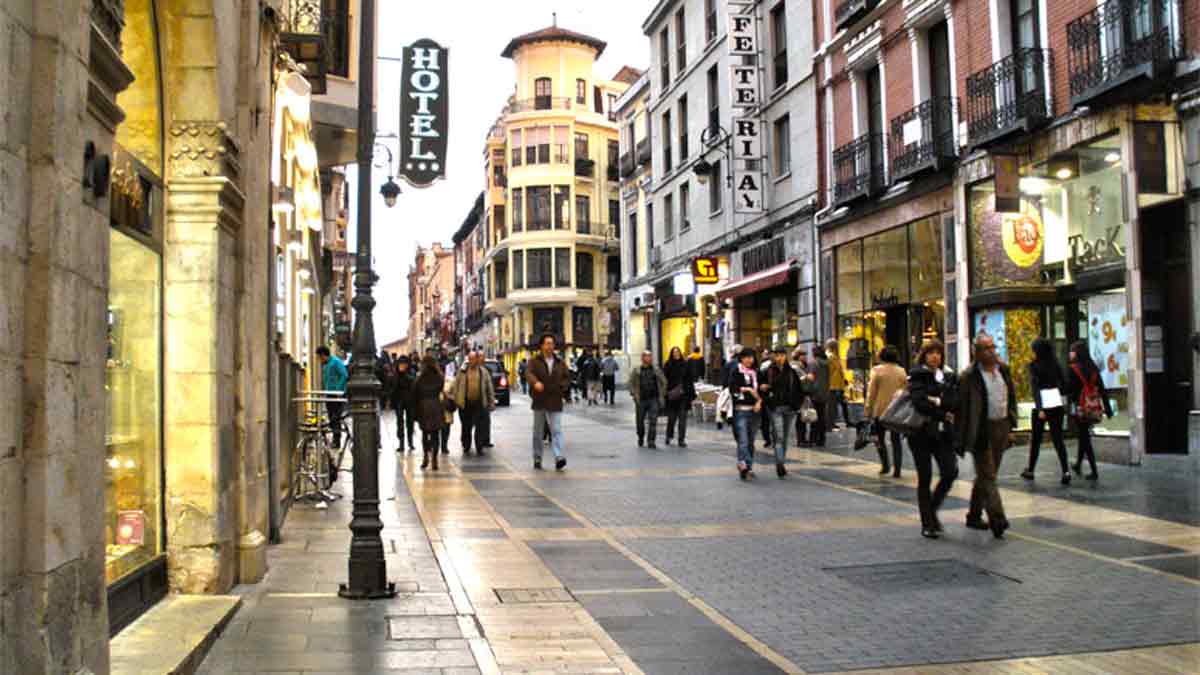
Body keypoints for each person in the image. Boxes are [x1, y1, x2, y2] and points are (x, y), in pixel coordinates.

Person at [958, 334, 1017, 539]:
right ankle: (998, 519)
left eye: (993, 347)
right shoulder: (969, 376)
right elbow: (963, 408)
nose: (991, 351)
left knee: (986, 475)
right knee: (989, 476)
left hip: (1001, 426)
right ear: (977, 352)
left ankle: (974, 515)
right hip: (981, 430)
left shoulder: (1003, 370)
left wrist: (1011, 425)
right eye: (985, 348)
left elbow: (1011, 399)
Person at [907, 339, 961, 539]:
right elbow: (919, 402)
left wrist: (936, 400)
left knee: (950, 471)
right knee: (925, 477)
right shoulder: (917, 374)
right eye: (931, 352)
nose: (935, 356)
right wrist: (941, 409)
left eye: (938, 352)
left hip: (943, 434)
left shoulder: (948, 375)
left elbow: (954, 401)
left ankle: (932, 508)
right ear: (924, 355)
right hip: (920, 433)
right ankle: (927, 523)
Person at [1023, 338, 1071, 485]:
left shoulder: (1034, 366)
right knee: (1058, 440)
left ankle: (1030, 470)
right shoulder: (1055, 364)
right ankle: (1065, 470)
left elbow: (1035, 388)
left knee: (1036, 439)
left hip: (1043, 404)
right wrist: (1056, 391)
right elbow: (1064, 384)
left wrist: (1040, 408)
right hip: (1056, 402)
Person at [1065, 340, 1113, 481]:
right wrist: (1108, 408)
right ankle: (1079, 464)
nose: (1070, 353)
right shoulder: (1093, 368)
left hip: (1080, 408)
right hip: (1092, 407)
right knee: (1083, 434)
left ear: (1077, 353)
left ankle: (1094, 470)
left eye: (1072, 351)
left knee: (1085, 437)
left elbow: (1069, 389)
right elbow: (1102, 389)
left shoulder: (1073, 369)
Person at [526, 333, 570, 470]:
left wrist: (562, 387)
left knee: (556, 429)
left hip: (555, 399)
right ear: (541, 346)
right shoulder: (534, 361)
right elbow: (529, 373)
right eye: (547, 343)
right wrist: (535, 383)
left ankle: (558, 456)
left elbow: (567, 377)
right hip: (539, 399)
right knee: (538, 431)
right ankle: (537, 457)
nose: (550, 346)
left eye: (552, 343)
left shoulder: (560, 362)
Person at [865, 345, 907, 476]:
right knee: (896, 441)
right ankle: (898, 470)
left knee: (879, 439)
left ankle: (885, 465)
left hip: (880, 410)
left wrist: (868, 411)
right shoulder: (902, 371)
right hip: (896, 410)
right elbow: (905, 392)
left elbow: (871, 393)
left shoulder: (876, 371)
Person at [764, 345, 803, 478]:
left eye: (782, 355)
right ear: (773, 356)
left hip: (790, 409)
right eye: (777, 355)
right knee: (779, 436)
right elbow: (763, 387)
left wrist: (797, 405)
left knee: (785, 437)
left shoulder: (792, 371)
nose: (779, 358)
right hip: (776, 409)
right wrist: (767, 392)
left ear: (786, 356)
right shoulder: (768, 371)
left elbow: (799, 389)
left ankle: (781, 462)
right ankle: (780, 463)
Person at [727, 348, 764, 480]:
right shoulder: (736, 371)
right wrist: (747, 389)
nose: (749, 359)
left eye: (751, 357)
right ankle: (744, 466)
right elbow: (732, 389)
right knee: (743, 440)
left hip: (755, 411)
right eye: (746, 357)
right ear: (741, 358)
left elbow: (762, 391)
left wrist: (759, 402)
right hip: (741, 410)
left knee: (750, 441)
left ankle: (747, 466)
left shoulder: (757, 373)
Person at [453, 350, 496, 456]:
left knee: (480, 426)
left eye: (473, 359)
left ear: (477, 360)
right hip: (465, 403)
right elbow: (456, 386)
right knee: (466, 426)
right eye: (469, 359)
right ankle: (466, 445)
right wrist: (457, 400)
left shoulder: (483, 372)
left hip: (479, 403)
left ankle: (479, 446)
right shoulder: (462, 371)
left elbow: (489, 387)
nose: (471, 361)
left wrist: (491, 401)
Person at [629, 351, 667, 448]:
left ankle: (651, 440)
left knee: (653, 420)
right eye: (646, 356)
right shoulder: (637, 370)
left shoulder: (656, 370)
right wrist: (634, 394)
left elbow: (664, 382)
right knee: (640, 421)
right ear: (642, 358)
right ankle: (641, 436)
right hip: (641, 399)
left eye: (650, 356)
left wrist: (661, 394)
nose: (649, 358)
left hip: (653, 399)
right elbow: (631, 383)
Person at [414, 355, 445, 471]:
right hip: (436, 406)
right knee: (436, 435)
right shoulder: (439, 377)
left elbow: (415, 392)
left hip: (423, 407)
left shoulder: (420, 378)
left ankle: (426, 457)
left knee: (425, 434)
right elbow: (441, 389)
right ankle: (435, 460)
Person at [662, 347, 695, 447]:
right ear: (671, 354)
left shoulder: (685, 364)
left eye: (678, 352)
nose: (676, 354)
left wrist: (691, 393)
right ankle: (669, 435)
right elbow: (664, 380)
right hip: (672, 397)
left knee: (682, 419)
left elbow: (689, 380)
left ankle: (681, 439)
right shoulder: (668, 365)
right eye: (674, 352)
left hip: (683, 396)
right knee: (671, 419)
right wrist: (666, 393)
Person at [316, 346, 348, 449]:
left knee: (335, 417)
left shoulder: (336, 362)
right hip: (329, 394)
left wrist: (339, 390)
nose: (319, 360)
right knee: (331, 417)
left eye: (320, 357)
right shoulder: (325, 365)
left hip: (336, 394)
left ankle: (337, 440)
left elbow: (344, 375)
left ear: (324, 355)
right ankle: (335, 439)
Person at [390, 355, 417, 453]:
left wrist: (404, 373)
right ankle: (401, 443)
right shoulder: (395, 373)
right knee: (400, 422)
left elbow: (413, 383)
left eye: (404, 364)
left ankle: (410, 442)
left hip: (410, 401)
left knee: (410, 422)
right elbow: (393, 386)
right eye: (401, 364)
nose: (402, 366)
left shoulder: (411, 372)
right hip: (399, 401)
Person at [808, 345, 830, 447]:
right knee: (822, 416)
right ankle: (822, 439)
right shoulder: (827, 363)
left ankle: (813, 439)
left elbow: (811, 378)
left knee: (814, 417)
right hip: (825, 392)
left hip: (815, 393)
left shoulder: (813, 363)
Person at [826, 339, 851, 430]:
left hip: (838, 385)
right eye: (837, 346)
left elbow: (839, 371)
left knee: (840, 404)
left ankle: (844, 421)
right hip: (832, 385)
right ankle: (830, 424)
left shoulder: (835, 357)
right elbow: (829, 372)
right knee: (832, 406)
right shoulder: (830, 357)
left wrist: (843, 380)